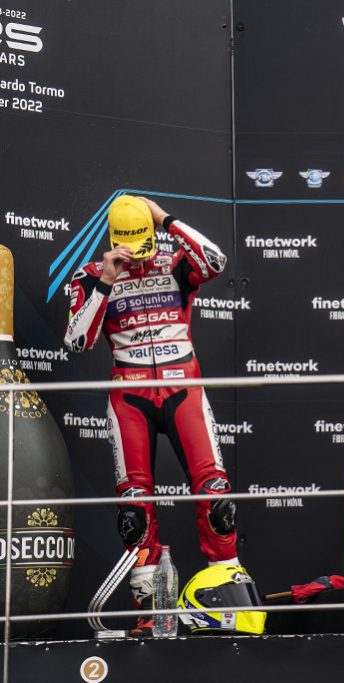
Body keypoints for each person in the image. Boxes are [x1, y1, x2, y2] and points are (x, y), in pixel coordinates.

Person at [64, 195, 242, 634]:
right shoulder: (91, 274)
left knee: (216, 496)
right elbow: (77, 342)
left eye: (145, 244)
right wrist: (107, 280)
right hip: (130, 396)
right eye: (132, 248)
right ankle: (152, 613)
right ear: (114, 239)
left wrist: (166, 219)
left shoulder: (175, 261)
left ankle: (229, 603)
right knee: (134, 510)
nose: (139, 257)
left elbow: (216, 261)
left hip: (184, 389)